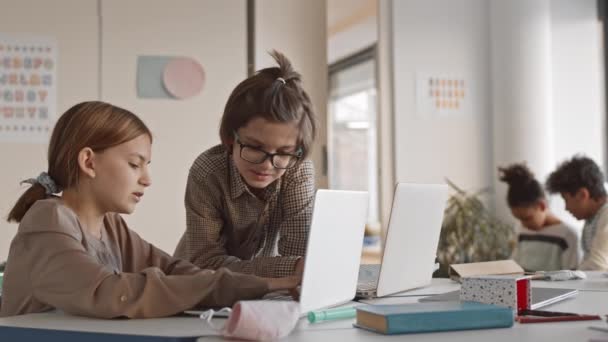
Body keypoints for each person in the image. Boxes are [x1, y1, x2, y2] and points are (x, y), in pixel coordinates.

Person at [0, 101, 299, 318]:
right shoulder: (47, 221)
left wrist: (262, 288)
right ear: (89, 162)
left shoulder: (110, 226)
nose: (147, 179)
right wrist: (264, 284)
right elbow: (111, 292)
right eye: (134, 164)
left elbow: (174, 269)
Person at [174, 50, 316, 278]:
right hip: (199, 285)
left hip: (266, 286)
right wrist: (289, 268)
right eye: (255, 148)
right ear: (231, 139)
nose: (267, 165)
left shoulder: (297, 169)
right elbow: (206, 261)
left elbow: (300, 257)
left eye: (283, 153)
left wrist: (296, 271)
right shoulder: (207, 172)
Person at [498, 163, 580, 271]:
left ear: (542, 206)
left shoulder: (568, 235)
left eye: (527, 218)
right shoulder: (522, 231)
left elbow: (572, 275)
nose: (523, 224)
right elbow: (516, 267)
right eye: (519, 219)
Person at [546, 155, 608, 270]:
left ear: (582, 194)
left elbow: (596, 266)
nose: (566, 208)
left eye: (566, 200)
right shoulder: (593, 218)